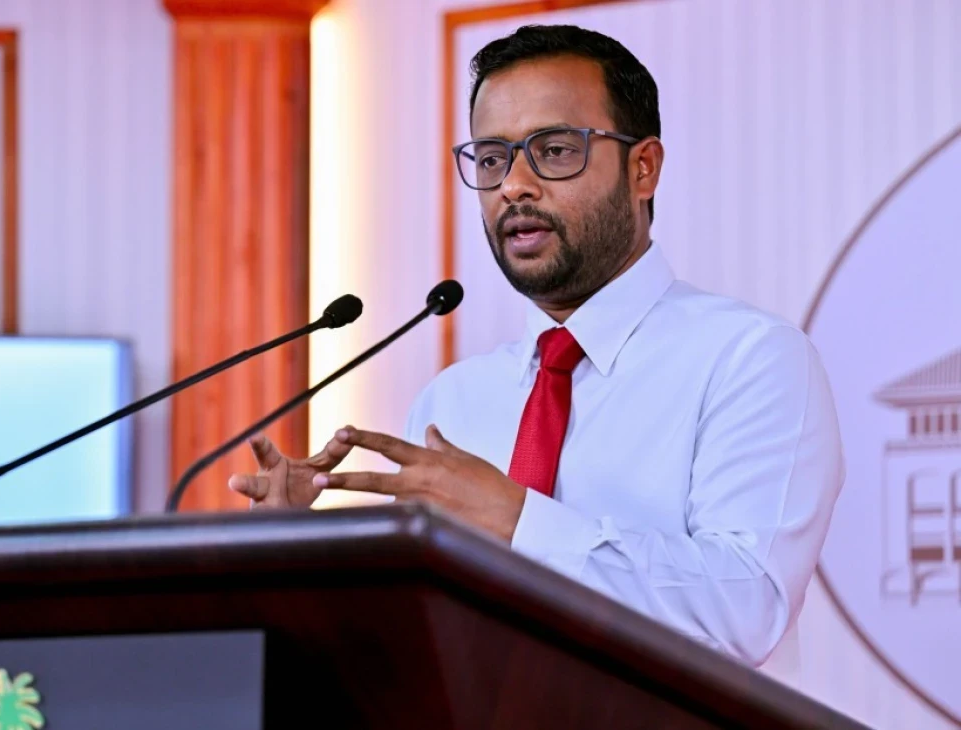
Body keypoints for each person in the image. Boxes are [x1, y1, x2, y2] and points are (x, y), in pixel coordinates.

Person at [227, 24, 844, 678]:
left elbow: (744, 610)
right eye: (492, 159)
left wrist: (517, 521)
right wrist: (296, 558)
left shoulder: (750, 361)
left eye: (552, 151)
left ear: (643, 168)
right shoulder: (453, 403)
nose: (514, 186)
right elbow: (410, 643)